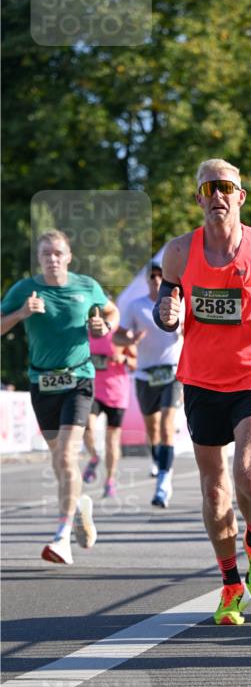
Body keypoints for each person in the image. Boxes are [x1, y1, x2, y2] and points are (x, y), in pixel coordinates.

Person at [154, 158, 251, 626]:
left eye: (226, 187)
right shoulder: (178, 252)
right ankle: (231, 584)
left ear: (240, 196)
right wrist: (167, 315)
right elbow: (166, 305)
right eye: (208, 188)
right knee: (215, 492)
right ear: (198, 198)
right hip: (199, 379)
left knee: (250, 475)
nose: (217, 195)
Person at [0, 229, 119, 564]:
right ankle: (79, 503)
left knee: (67, 455)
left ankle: (62, 536)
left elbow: (112, 312)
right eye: (46, 254)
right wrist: (20, 314)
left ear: (68, 257)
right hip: (42, 383)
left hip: (78, 380)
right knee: (59, 460)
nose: (52, 259)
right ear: (39, 259)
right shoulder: (24, 290)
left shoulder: (86, 286)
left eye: (58, 253)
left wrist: (104, 328)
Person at [114, 259, 184, 507]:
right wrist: (130, 337)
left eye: (160, 275)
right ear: (147, 280)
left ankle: (164, 482)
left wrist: (185, 330)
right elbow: (118, 339)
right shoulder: (135, 306)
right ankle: (159, 461)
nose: (156, 280)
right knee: (153, 430)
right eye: (152, 276)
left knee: (166, 426)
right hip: (145, 374)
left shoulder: (180, 305)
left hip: (172, 373)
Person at [82, 320, 137, 498]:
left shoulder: (119, 337)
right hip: (93, 391)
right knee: (87, 427)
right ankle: (94, 457)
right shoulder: (84, 335)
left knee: (112, 440)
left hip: (116, 394)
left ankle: (110, 480)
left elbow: (135, 362)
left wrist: (125, 359)